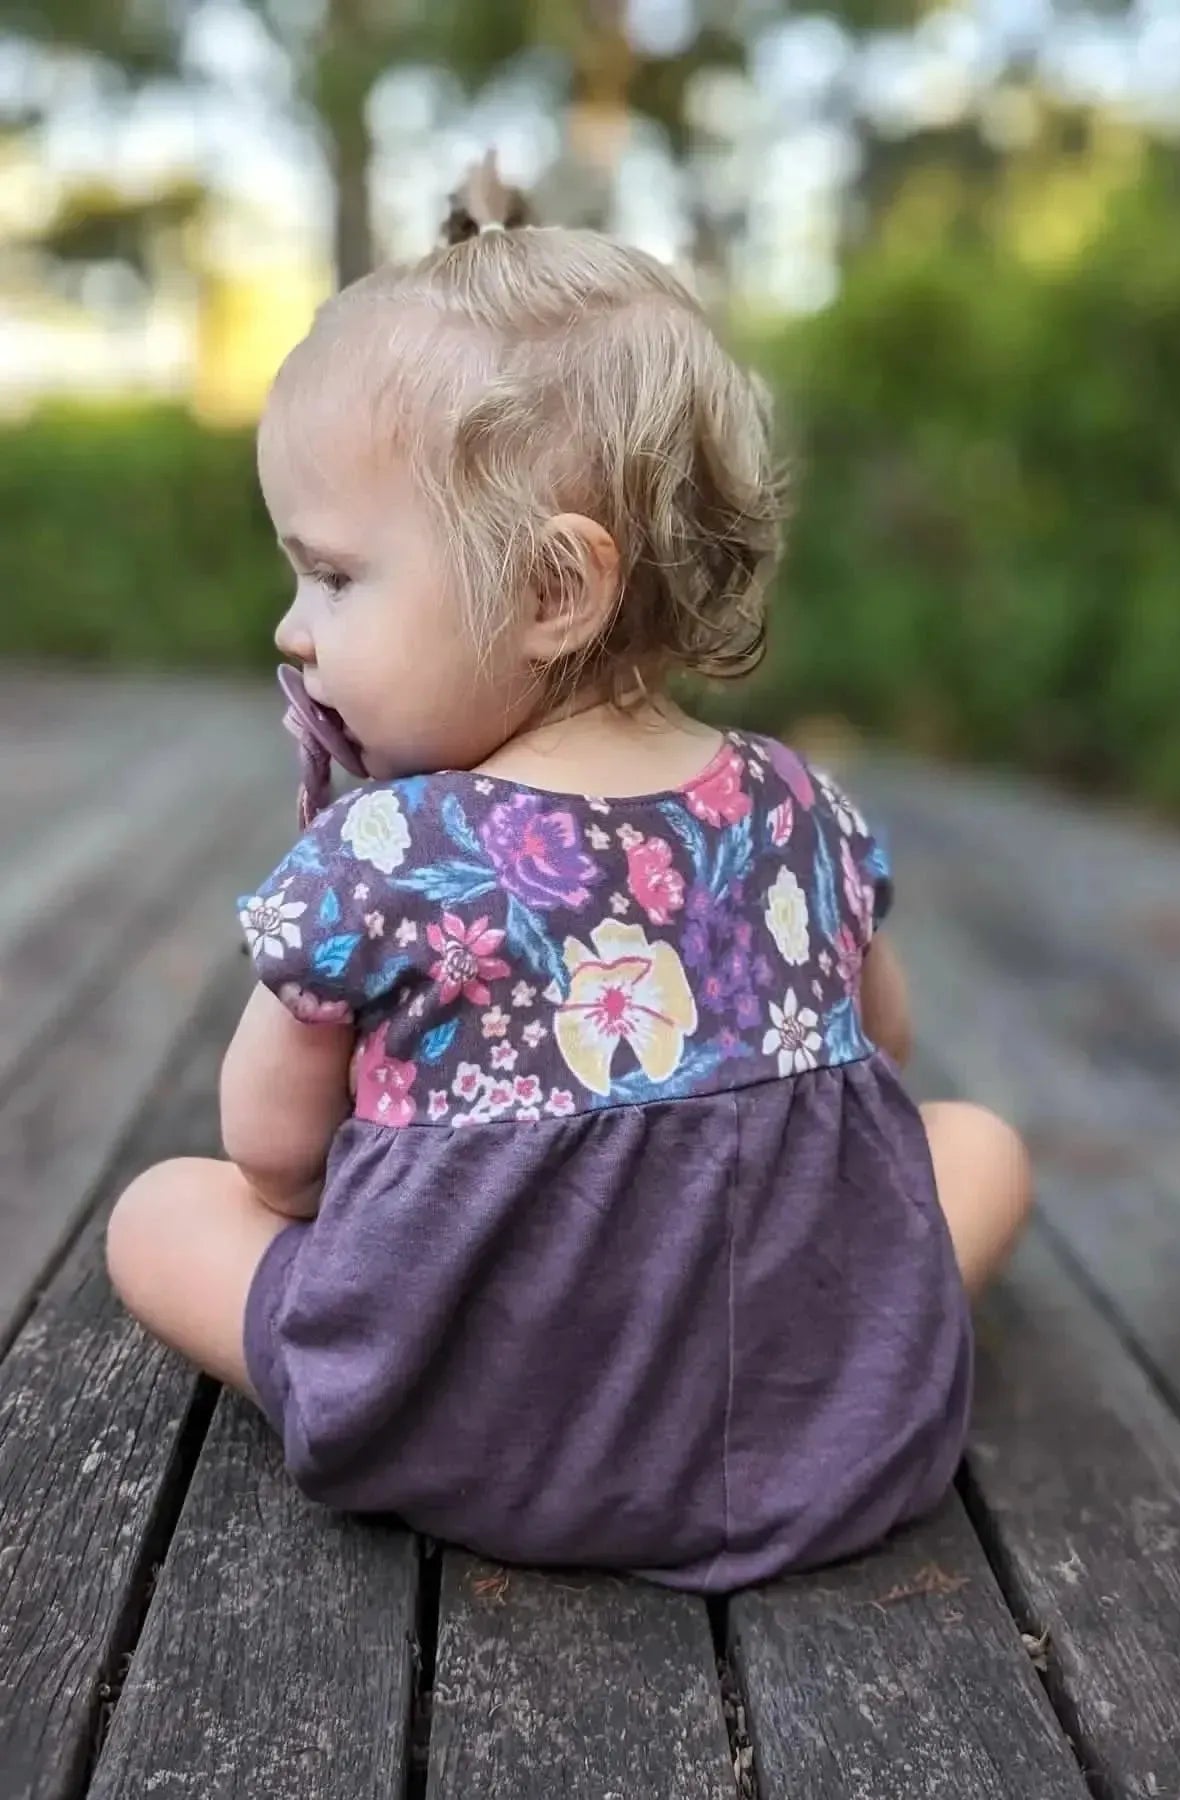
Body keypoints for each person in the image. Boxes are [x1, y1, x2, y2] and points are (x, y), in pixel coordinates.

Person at [106, 159, 1031, 1591]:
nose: (294, 631)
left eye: (335, 578)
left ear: (553, 591)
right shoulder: (806, 807)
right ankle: (831, 1374)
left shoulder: (382, 850)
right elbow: (886, 1062)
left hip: (473, 1434)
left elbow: (277, 1165)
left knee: (158, 1211)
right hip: (826, 1436)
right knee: (981, 1147)